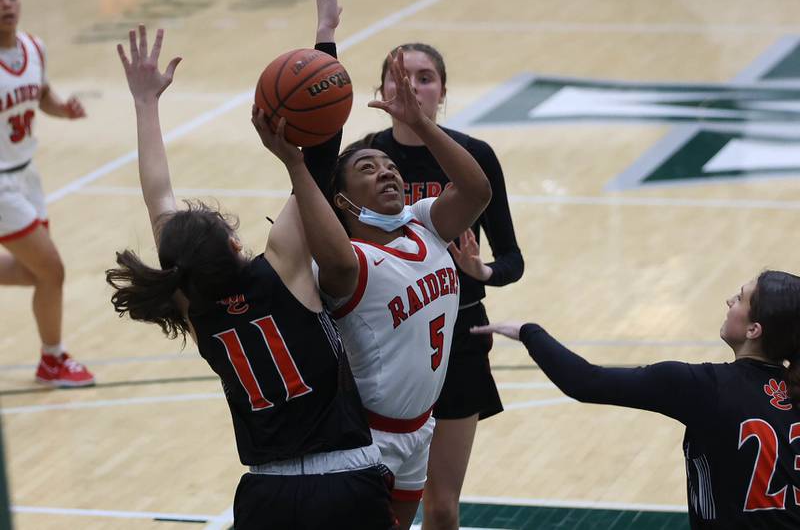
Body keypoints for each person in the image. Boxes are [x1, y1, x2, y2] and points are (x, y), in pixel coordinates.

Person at [106, 23, 397, 529]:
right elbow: (325, 153)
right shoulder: (282, 264)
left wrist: (145, 104)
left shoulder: (191, 303)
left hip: (266, 495)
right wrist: (323, 45)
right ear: (236, 244)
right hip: (345, 480)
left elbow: (158, 197)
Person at [306, 33, 492, 528]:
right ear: (343, 201)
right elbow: (315, 198)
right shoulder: (347, 262)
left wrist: (421, 124)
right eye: (368, 169)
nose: (388, 172)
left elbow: (476, 190)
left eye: (390, 167)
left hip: (419, 429)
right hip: (363, 440)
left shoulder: (422, 220)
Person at [473, 270, 800, 529]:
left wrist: (529, 332)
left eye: (740, 298)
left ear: (754, 329)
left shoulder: (703, 386)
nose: (729, 301)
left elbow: (586, 382)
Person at [361, 42, 524, 530]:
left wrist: (483, 273)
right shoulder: (363, 159)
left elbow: (512, 259)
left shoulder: (473, 156)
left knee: (441, 504)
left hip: (459, 336)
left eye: (425, 77)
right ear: (381, 89)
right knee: (371, 501)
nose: (411, 86)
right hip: (382, 337)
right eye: (399, 76)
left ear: (444, 92)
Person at [0, 0, 94, 387]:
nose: (7, 4)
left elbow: (41, 95)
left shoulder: (34, 47)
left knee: (35, 273)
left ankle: (50, 360)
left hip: (27, 176)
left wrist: (63, 107)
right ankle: (52, 360)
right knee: (52, 270)